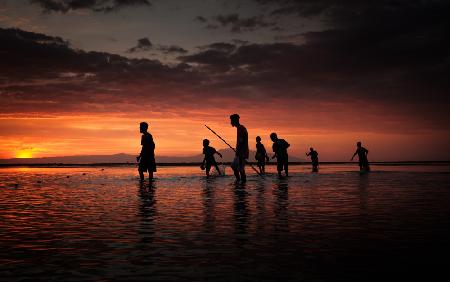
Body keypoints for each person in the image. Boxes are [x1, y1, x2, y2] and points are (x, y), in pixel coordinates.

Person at [230, 114, 249, 183]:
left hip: (242, 153)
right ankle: (238, 181)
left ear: (235, 120)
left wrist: (239, 151)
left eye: (231, 120)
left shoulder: (241, 128)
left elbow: (241, 141)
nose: (231, 122)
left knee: (241, 169)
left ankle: (243, 184)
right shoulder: (239, 128)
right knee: (233, 166)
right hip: (239, 152)